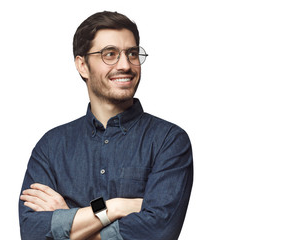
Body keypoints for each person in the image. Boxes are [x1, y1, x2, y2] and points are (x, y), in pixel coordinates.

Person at [19, 11, 193, 240]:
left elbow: (158, 231)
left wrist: (69, 220)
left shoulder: (168, 140)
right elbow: (32, 232)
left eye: (132, 54)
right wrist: (114, 208)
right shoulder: (51, 146)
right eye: (109, 54)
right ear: (82, 66)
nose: (126, 65)